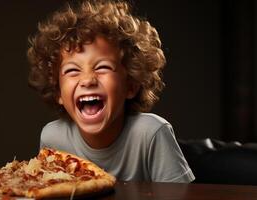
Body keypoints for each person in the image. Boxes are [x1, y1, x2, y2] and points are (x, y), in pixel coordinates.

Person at [27, 0, 195, 182]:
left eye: (103, 67)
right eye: (72, 70)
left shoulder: (151, 134)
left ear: (131, 85)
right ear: (58, 91)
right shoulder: (53, 138)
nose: (88, 80)